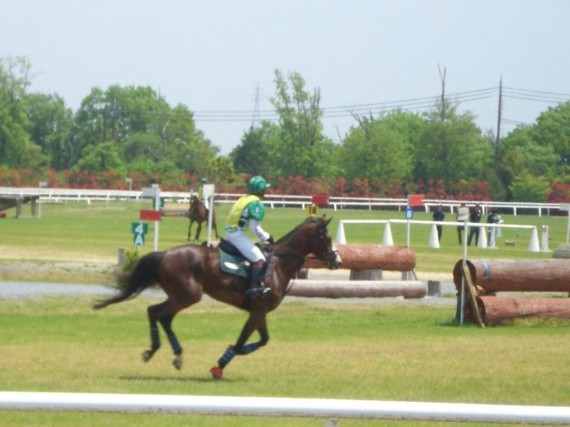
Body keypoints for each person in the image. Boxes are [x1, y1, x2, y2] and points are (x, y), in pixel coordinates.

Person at [224, 176, 273, 299]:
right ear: (261, 190)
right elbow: (254, 228)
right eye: (264, 189)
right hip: (237, 236)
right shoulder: (255, 203)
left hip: (229, 233)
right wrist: (267, 237)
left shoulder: (243, 198)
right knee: (259, 259)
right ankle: (253, 288)